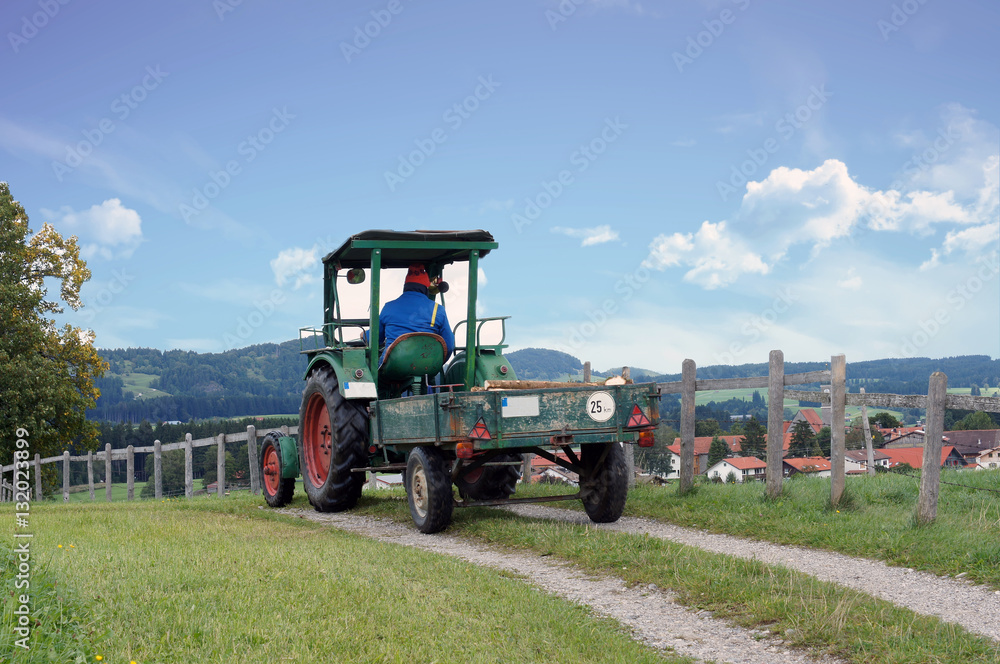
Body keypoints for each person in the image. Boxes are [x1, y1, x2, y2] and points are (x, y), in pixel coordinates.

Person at [375, 263, 455, 362]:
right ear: (425, 289)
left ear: (405, 286)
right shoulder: (438, 310)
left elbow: (375, 339)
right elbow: (449, 345)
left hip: (393, 369)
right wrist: (437, 363)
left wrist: (364, 336)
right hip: (426, 367)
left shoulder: (388, 307)